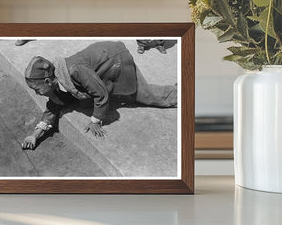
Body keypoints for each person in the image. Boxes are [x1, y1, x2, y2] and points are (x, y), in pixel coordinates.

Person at [21, 41, 177, 150]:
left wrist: (96, 120)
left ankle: (180, 94)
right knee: (79, 100)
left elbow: (100, 93)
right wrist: (35, 135)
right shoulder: (57, 79)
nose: (36, 93)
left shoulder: (75, 70)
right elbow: (53, 107)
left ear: (48, 81)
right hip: (103, 56)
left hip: (116, 57)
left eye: (36, 89)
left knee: (145, 95)